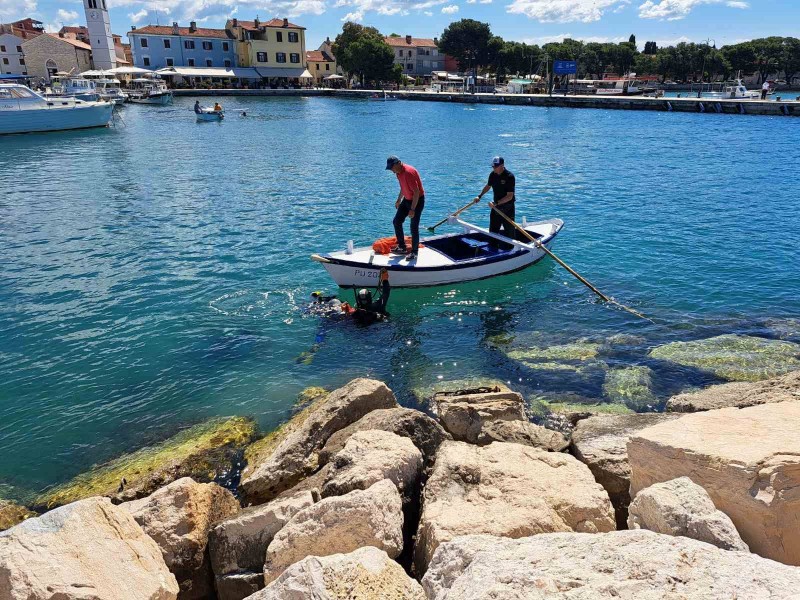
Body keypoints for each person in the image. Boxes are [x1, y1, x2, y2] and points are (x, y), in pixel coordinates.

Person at [386, 156, 425, 260]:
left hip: (417, 201)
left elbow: (416, 192)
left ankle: (414, 252)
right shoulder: (398, 173)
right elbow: (403, 187)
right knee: (396, 221)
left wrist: (412, 209)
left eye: (392, 168)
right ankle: (402, 247)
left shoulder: (408, 173)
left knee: (413, 226)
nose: (392, 171)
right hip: (407, 199)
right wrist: (399, 200)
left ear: (398, 163)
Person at [473, 156, 517, 251]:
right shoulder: (492, 175)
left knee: (509, 232)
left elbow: (510, 196)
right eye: (493, 166)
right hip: (496, 207)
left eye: (496, 166)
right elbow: (488, 186)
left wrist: (496, 203)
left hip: (507, 208)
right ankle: (493, 250)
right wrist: (479, 196)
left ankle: (511, 251)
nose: (494, 168)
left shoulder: (509, 176)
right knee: (493, 231)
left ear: (502, 165)